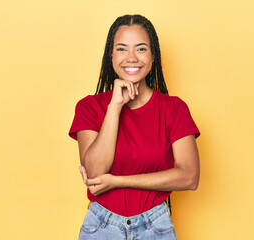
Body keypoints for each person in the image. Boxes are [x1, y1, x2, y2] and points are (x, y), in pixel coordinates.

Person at [69, 14, 200, 240]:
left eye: (140, 49)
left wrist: (117, 181)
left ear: (153, 56)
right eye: (121, 49)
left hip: (155, 226)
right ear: (110, 56)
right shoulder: (89, 107)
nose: (131, 58)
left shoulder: (174, 108)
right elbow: (94, 173)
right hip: (101, 227)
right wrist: (115, 107)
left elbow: (189, 177)